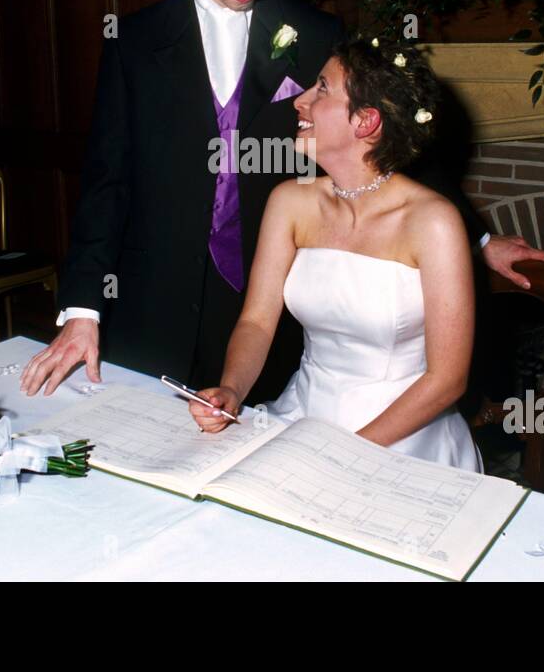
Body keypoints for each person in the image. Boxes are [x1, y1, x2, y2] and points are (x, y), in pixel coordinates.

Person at [21, 0, 544, 403]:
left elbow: (391, 141)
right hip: (153, 293)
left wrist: (476, 238)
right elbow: (106, 180)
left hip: (265, 295)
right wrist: (83, 308)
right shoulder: (132, 42)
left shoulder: (316, 31)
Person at [189, 41, 487, 469]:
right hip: (303, 414)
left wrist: (342, 455)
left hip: (400, 436)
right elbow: (256, 321)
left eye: (322, 89)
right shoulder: (290, 201)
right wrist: (232, 391)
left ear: (366, 122)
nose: (301, 100)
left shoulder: (433, 222)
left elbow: (447, 380)